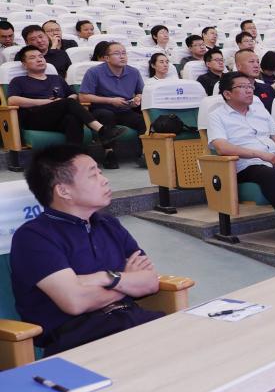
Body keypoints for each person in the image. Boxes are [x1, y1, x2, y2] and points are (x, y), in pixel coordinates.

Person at [11, 145, 162, 356]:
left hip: (133, 321)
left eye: (100, 172)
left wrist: (105, 278)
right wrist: (127, 281)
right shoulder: (34, 237)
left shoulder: (109, 224)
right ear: (63, 191)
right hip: (80, 340)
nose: (104, 180)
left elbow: (150, 282)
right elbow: (75, 302)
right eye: (93, 175)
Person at [208, 71, 275, 250]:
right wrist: (259, 155)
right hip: (244, 166)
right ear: (227, 94)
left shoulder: (259, 110)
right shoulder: (217, 116)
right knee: (268, 175)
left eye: (250, 86)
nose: (249, 90)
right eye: (243, 87)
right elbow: (222, 147)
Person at [7, 46, 124, 150]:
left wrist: (63, 101)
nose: (39, 59)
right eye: (32, 58)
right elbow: (12, 100)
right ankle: (102, 130)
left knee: (72, 118)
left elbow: (73, 94)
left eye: (41, 56)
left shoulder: (56, 78)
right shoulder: (18, 81)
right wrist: (47, 102)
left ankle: (74, 155)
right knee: (68, 102)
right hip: (34, 119)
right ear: (24, 64)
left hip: (57, 118)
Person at [78, 42, 146, 168]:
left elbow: (141, 92)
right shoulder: (94, 72)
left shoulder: (133, 72)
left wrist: (137, 98)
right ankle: (109, 153)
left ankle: (144, 153)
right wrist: (110, 100)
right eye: (117, 53)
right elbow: (83, 96)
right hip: (100, 109)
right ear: (107, 58)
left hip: (124, 109)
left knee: (142, 120)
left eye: (124, 53)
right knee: (107, 115)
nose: (122, 56)